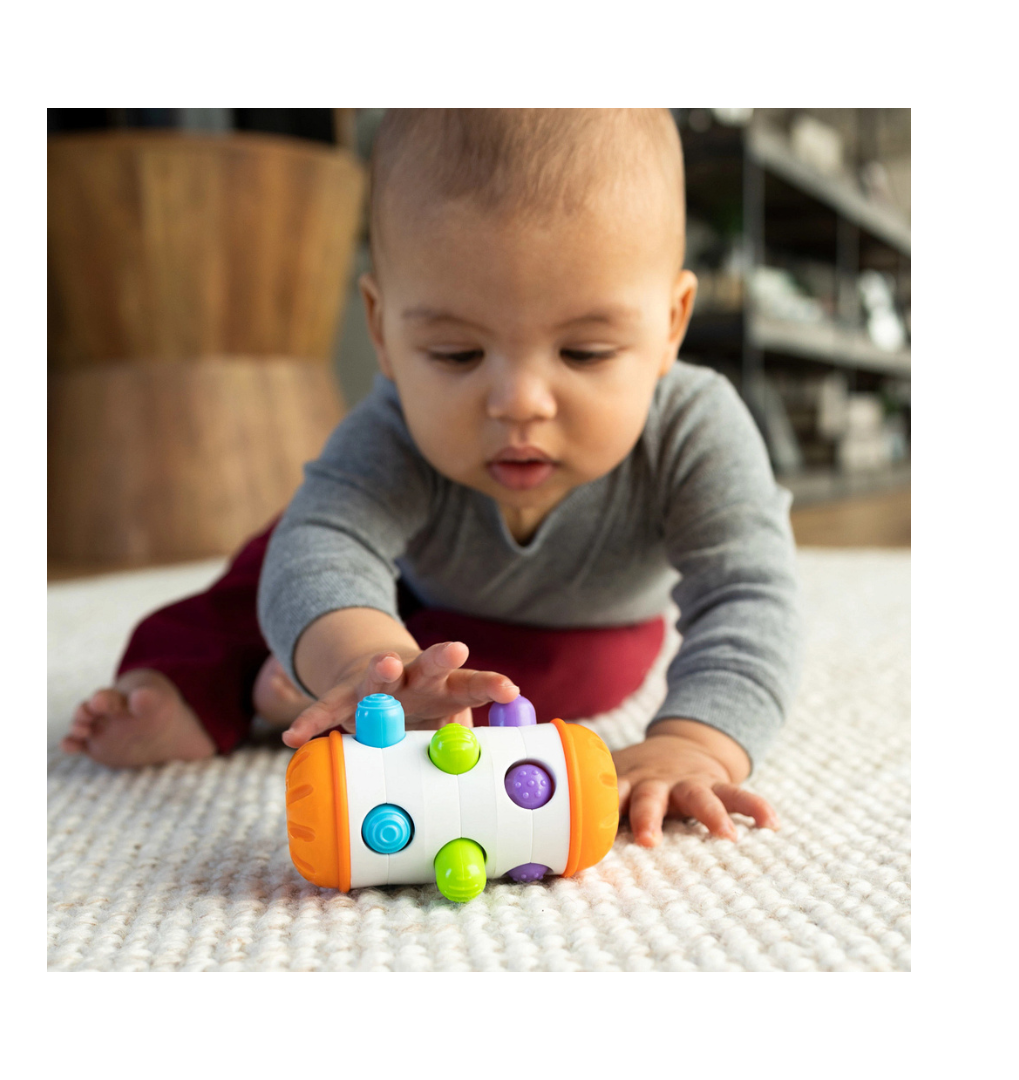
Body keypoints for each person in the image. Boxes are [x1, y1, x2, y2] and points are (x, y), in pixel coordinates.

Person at [62, 109, 801, 848]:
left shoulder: (695, 428)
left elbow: (748, 595)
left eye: (584, 353)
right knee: (278, 558)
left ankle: (304, 684)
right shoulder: (393, 428)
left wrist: (696, 742)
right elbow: (325, 547)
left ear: (671, 323)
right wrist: (365, 664)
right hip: (404, 604)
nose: (519, 402)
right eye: (456, 354)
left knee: (564, 677)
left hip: (577, 634)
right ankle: (198, 687)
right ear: (382, 328)